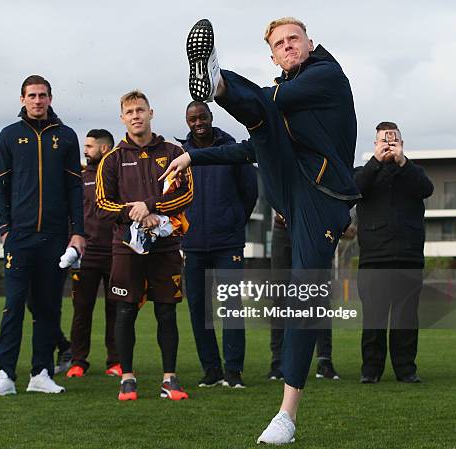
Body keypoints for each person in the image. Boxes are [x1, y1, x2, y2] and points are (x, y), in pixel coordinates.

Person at [163, 17, 360, 444]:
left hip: (324, 196)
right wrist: (194, 158)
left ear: (309, 43)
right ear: (271, 55)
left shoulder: (327, 75)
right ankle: (216, 82)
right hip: (290, 184)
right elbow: (253, 146)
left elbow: (273, 100)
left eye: (294, 39)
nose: (288, 46)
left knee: (304, 297)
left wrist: (230, 90)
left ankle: (287, 415)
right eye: (279, 43)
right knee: (262, 126)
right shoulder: (281, 99)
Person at [0, 75, 85, 396]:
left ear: (51, 99)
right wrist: (4, 229)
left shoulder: (66, 137)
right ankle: (5, 375)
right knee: (14, 306)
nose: (37, 101)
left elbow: (74, 189)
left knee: (47, 308)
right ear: (22, 99)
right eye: (32, 95)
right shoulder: (9, 136)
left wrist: (77, 233)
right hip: (19, 237)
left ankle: (41, 373)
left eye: (42, 95)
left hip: (55, 238)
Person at [95, 90, 193, 401]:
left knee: (167, 311)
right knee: (125, 311)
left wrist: (151, 207)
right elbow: (101, 204)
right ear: (122, 118)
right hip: (126, 247)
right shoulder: (112, 159)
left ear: (151, 112)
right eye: (130, 112)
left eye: (140, 110)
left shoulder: (174, 151)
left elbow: (187, 194)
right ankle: (127, 377)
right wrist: (131, 211)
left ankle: (170, 379)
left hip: (165, 244)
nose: (136, 115)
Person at [177, 101, 257, 388]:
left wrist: (234, 220)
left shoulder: (231, 149)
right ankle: (211, 370)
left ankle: (233, 371)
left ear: (211, 117)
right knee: (199, 308)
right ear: (187, 122)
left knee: (231, 307)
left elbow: (250, 192)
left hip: (228, 243)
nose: (198, 122)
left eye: (202, 117)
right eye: (192, 119)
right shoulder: (182, 154)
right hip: (194, 243)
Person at [355, 121, 433, 384]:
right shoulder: (363, 172)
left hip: (408, 257)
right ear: (375, 145)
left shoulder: (413, 172)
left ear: (402, 144)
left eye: (394, 142)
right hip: (374, 257)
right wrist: (376, 163)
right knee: (374, 319)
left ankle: (406, 370)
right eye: (383, 142)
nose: (389, 146)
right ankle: (371, 371)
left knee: (406, 318)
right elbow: (353, 190)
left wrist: (402, 162)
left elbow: (426, 189)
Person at [66, 129, 121, 378]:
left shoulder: (117, 175)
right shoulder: (78, 177)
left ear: (104, 149)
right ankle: (78, 361)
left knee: (116, 310)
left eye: (90, 146)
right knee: (82, 309)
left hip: (115, 252)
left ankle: (116, 361)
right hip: (85, 254)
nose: (85, 150)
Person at [268, 212, 340, 381]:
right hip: (283, 227)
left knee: (319, 296)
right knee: (280, 297)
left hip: (314, 228)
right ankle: (278, 361)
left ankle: (324, 360)